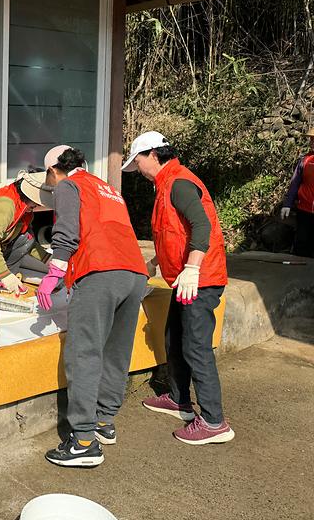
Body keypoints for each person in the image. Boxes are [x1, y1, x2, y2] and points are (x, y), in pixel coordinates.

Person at [37, 146, 148, 467]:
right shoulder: (110, 190)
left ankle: (83, 441)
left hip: (100, 274)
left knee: (84, 352)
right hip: (134, 274)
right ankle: (103, 422)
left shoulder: (70, 186)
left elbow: (67, 232)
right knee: (116, 351)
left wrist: (54, 273)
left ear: (54, 171)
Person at [122, 131, 234, 445]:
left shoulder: (180, 183)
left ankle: (214, 421)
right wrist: (155, 262)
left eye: (139, 161)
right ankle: (179, 399)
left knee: (196, 347)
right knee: (174, 337)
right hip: (186, 280)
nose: (139, 169)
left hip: (201, 279)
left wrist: (192, 266)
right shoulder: (166, 184)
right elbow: (175, 232)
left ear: (153, 155)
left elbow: (201, 225)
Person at [280, 126, 314, 257]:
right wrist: (287, 204)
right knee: (302, 242)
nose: (312, 143)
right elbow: (295, 184)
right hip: (304, 209)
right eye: (311, 140)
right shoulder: (305, 160)